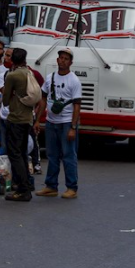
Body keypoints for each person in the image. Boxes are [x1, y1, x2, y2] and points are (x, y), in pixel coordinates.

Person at [35, 48, 82, 199]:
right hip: (51, 122)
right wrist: (37, 120)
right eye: (61, 58)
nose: (62, 61)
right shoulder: (50, 78)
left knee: (68, 156)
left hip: (66, 123)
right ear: (57, 60)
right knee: (52, 155)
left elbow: (77, 105)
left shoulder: (74, 80)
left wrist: (73, 127)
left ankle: (71, 188)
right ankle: (51, 186)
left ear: (71, 62)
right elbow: (43, 99)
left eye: (66, 59)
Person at [0, 48, 36, 202]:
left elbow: (5, 100)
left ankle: (22, 189)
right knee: (22, 153)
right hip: (27, 118)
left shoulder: (13, 75)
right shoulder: (29, 72)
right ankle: (26, 185)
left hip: (16, 118)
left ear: (12, 60)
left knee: (15, 154)